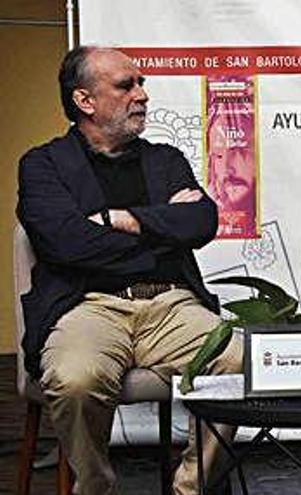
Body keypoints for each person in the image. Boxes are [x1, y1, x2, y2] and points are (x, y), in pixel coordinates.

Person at [16, 46, 241, 495]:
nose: (142, 94)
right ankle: (95, 485)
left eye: (141, 84)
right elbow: (66, 243)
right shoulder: (43, 164)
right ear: (85, 101)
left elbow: (201, 222)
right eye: (126, 85)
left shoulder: (166, 159)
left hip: (170, 302)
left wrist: (119, 219)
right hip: (88, 306)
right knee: (75, 378)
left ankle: (189, 488)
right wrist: (159, 229)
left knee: (236, 359)